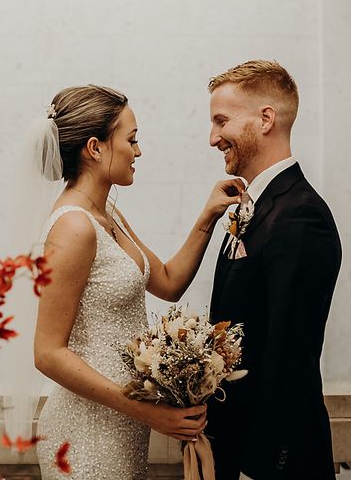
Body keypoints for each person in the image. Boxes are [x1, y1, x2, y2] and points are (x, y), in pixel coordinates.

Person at [32, 84, 243, 480]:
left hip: (122, 424)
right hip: (84, 430)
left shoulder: (105, 212)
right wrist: (144, 409)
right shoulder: (74, 227)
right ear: (94, 148)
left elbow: (167, 281)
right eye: (131, 139)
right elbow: (47, 352)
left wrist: (209, 215)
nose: (138, 151)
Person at [206, 60, 341, 480]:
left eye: (221, 121)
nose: (213, 138)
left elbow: (291, 356)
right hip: (234, 447)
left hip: (274, 462)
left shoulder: (301, 216)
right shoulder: (255, 207)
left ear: (266, 119)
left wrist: (259, 466)